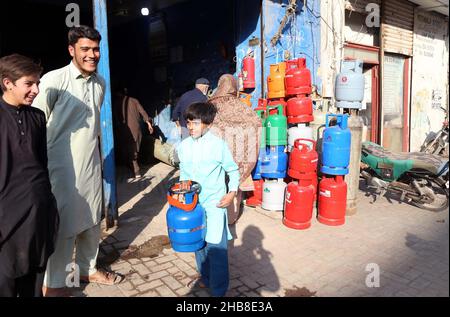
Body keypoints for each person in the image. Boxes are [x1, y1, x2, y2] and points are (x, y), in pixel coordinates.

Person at [32, 25, 122, 297]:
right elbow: (36, 125)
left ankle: (87, 267)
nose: (92, 54)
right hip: (61, 170)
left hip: (91, 166)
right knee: (64, 227)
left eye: (95, 49)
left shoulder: (100, 83)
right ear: (72, 50)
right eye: (85, 49)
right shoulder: (54, 80)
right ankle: (54, 283)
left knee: (93, 220)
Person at [0, 54, 59, 297]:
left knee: (34, 283)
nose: (36, 90)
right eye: (29, 84)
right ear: (8, 83)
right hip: (6, 223)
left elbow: (42, 164)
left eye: (38, 83)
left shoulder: (37, 117)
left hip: (39, 216)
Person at [177, 102, 240, 297]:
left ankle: (219, 291)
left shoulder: (218, 145)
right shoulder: (184, 146)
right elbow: (184, 174)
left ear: (208, 123)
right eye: (188, 123)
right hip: (194, 205)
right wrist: (181, 191)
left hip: (214, 204)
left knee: (216, 248)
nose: (191, 127)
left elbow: (233, 170)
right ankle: (205, 278)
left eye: (195, 123)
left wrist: (231, 193)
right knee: (198, 244)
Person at [209, 74, 262, 225]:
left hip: (216, 153)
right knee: (234, 185)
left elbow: (205, 125)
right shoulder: (241, 106)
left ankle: (215, 218)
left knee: (215, 184)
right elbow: (256, 123)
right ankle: (231, 219)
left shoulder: (211, 104)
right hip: (238, 154)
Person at [112, 86, 153, 180]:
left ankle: (136, 171)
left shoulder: (117, 103)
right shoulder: (134, 100)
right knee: (135, 149)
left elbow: (116, 118)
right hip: (137, 129)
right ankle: (133, 167)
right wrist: (148, 123)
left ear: (118, 93)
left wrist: (118, 128)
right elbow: (142, 112)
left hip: (125, 131)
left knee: (130, 150)